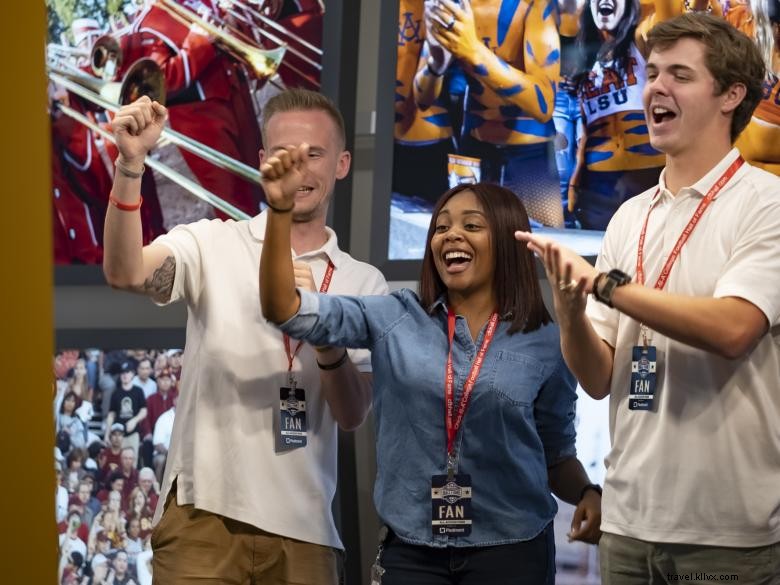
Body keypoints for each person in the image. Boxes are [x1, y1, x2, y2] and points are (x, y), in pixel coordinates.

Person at [516, 13, 780, 582]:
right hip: (629, 523)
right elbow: (597, 376)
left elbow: (734, 329)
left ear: (731, 94)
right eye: (653, 72)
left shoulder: (766, 203)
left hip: (725, 532)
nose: (655, 87)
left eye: (679, 75)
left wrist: (604, 286)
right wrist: (569, 313)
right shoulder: (628, 218)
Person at [102, 88, 388, 583]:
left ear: (341, 164)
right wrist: (131, 167)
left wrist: (323, 332)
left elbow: (352, 413)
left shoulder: (363, 283)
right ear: (261, 163)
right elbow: (126, 272)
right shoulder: (213, 242)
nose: (297, 171)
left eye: (312, 155)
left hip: (307, 535)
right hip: (202, 520)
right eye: (283, 156)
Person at [260, 168, 602, 582]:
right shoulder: (395, 315)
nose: (450, 235)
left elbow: (556, 454)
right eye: (441, 227)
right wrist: (279, 211)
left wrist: (587, 493)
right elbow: (285, 308)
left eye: (471, 225)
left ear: (509, 240)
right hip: (411, 554)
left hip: (513, 553)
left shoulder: (547, 340)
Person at [418, 0, 565, 227]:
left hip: (529, 158)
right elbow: (422, 100)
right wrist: (436, 65)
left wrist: (473, 51)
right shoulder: (453, 4)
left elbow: (543, 104)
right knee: (472, 246)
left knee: (541, 251)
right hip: (475, 149)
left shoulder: (534, 5)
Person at [568, 0, 666, 230]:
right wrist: (575, 182)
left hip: (647, 177)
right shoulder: (584, 60)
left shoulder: (641, 40)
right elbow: (584, 131)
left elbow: (668, 11)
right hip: (597, 187)